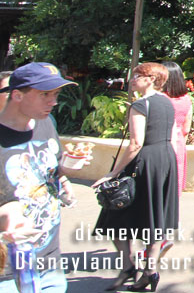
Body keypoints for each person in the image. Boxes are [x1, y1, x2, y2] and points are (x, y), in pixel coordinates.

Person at [93, 62, 179, 292]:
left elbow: (136, 143)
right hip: (164, 159)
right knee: (153, 218)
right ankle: (150, 270)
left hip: (143, 162)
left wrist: (112, 173)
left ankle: (128, 266)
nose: (132, 80)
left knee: (116, 215)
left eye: (137, 76)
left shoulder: (141, 105)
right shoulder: (167, 103)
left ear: (151, 79)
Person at [0, 62, 78, 293]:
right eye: (44, 94)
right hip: (7, 272)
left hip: (49, 262)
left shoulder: (45, 124)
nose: (53, 102)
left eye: (55, 94)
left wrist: (66, 171)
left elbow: (50, 174)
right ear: (17, 95)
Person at [160, 61, 192, 199]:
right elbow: (186, 128)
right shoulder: (186, 99)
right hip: (179, 144)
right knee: (174, 186)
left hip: (161, 143)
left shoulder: (161, 99)